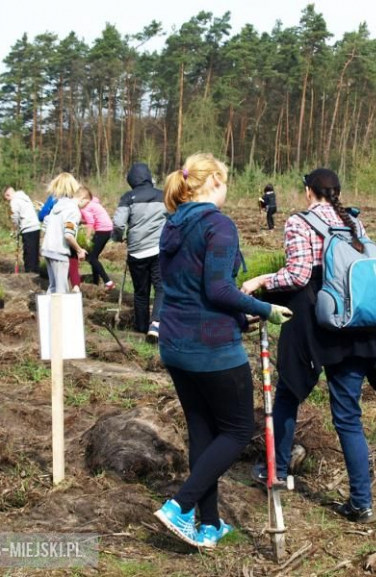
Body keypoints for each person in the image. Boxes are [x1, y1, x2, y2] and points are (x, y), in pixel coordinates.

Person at [153, 153, 292, 549]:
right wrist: (266, 309)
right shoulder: (218, 225)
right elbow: (218, 289)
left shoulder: (172, 225)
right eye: (226, 181)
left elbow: (185, 287)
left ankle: (208, 524)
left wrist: (236, 318)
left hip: (175, 344)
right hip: (211, 348)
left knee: (203, 430)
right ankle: (179, 506)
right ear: (214, 180)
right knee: (236, 430)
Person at [242, 168, 376, 523]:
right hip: (357, 324)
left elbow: (297, 275)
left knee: (288, 395)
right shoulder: (355, 224)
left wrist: (261, 281)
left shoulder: (300, 222)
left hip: (315, 322)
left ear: (309, 191)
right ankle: (361, 502)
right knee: (348, 418)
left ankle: (276, 470)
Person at [112, 163, 167, 342]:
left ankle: (141, 327)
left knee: (140, 292)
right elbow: (174, 217)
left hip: (136, 252)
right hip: (159, 250)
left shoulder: (128, 197)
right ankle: (156, 324)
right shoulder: (163, 195)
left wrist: (118, 237)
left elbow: (119, 224)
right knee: (161, 288)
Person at [40, 173, 88, 293]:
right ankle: (60, 312)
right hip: (59, 252)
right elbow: (68, 235)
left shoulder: (56, 206)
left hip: (48, 250)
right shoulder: (72, 209)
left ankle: (48, 311)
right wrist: (79, 250)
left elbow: (45, 227)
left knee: (53, 287)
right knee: (61, 290)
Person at [78, 186, 115, 290]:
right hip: (107, 229)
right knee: (93, 256)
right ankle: (95, 281)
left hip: (102, 230)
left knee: (91, 257)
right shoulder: (93, 202)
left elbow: (90, 223)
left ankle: (108, 282)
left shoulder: (85, 208)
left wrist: (87, 239)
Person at [3, 186, 41, 273]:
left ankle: (30, 272)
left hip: (28, 228)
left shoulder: (14, 201)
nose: (8, 201)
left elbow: (15, 217)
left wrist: (15, 228)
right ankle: (36, 270)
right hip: (36, 226)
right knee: (35, 251)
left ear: (8, 195)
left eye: (7, 199)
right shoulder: (25, 197)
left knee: (28, 252)